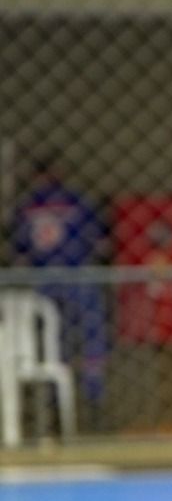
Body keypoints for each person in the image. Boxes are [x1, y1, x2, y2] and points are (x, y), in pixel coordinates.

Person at [7, 154, 110, 409]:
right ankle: (92, 388)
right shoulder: (76, 200)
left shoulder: (27, 205)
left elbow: (18, 253)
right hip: (77, 274)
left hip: (43, 278)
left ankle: (56, 394)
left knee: (52, 335)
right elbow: (99, 243)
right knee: (90, 330)